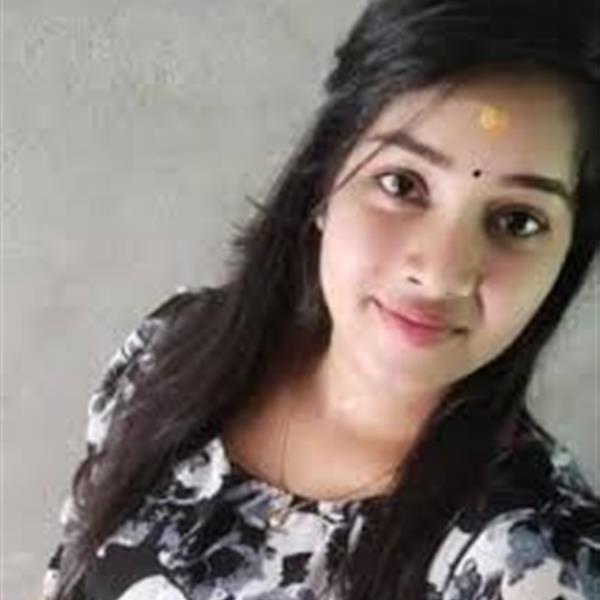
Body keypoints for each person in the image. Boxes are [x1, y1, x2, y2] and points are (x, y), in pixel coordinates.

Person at [42, 0, 600, 598]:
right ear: (325, 181)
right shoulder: (168, 351)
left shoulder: (538, 568)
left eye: (517, 221)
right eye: (402, 184)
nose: (440, 274)